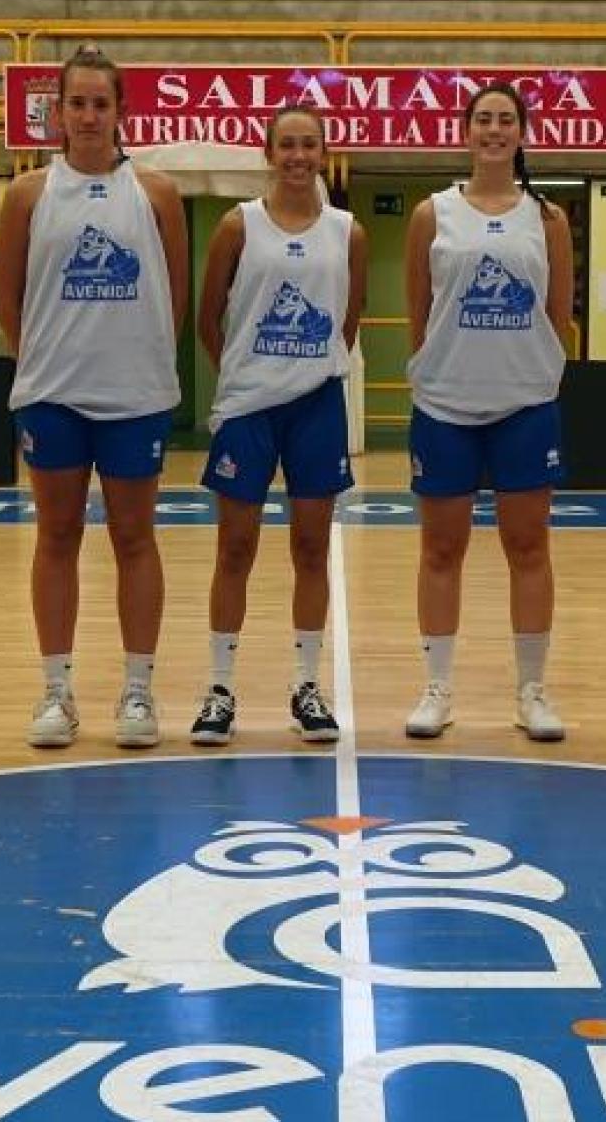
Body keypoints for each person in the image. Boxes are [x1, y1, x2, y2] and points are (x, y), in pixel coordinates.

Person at [0, 44, 190, 751]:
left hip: (135, 394)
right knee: (57, 536)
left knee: (135, 538)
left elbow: (175, 292)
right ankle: (56, 691)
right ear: (57, 113)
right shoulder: (27, 194)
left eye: (100, 103)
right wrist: (48, 359)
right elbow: (7, 295)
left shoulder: (157, 194)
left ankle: (138, 692)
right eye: (75, 103)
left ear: (119, 112)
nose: (87, 115)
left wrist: (138, 361)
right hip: (53, 394)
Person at [401, 82, 574, 742]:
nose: (494, 129)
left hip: (525, 402)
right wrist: (439, 369)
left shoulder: (548, 218)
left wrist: (533, 369)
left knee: (528, 547)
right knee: (440, 548)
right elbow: (420, 313)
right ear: (466, 131)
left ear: (523, 133)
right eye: (484, 119)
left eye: (506, 119)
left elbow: (559, 314)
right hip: (446, 402)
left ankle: (531, 690)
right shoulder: (432, 213)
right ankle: (437, 688)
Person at [192, 107, 367, 746]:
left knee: (311, 548)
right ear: (269, 153)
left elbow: (349, 318)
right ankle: (218, 689)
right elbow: (209, 319)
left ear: (324, 152)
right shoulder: (240, 226)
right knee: (234, 548)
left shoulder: (348, 232)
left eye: (308, 144)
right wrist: (251, 371)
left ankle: (305, 685)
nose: (297, 155)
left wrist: (308, 367)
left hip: (316, 404)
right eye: (286, 144)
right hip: (247, 406)